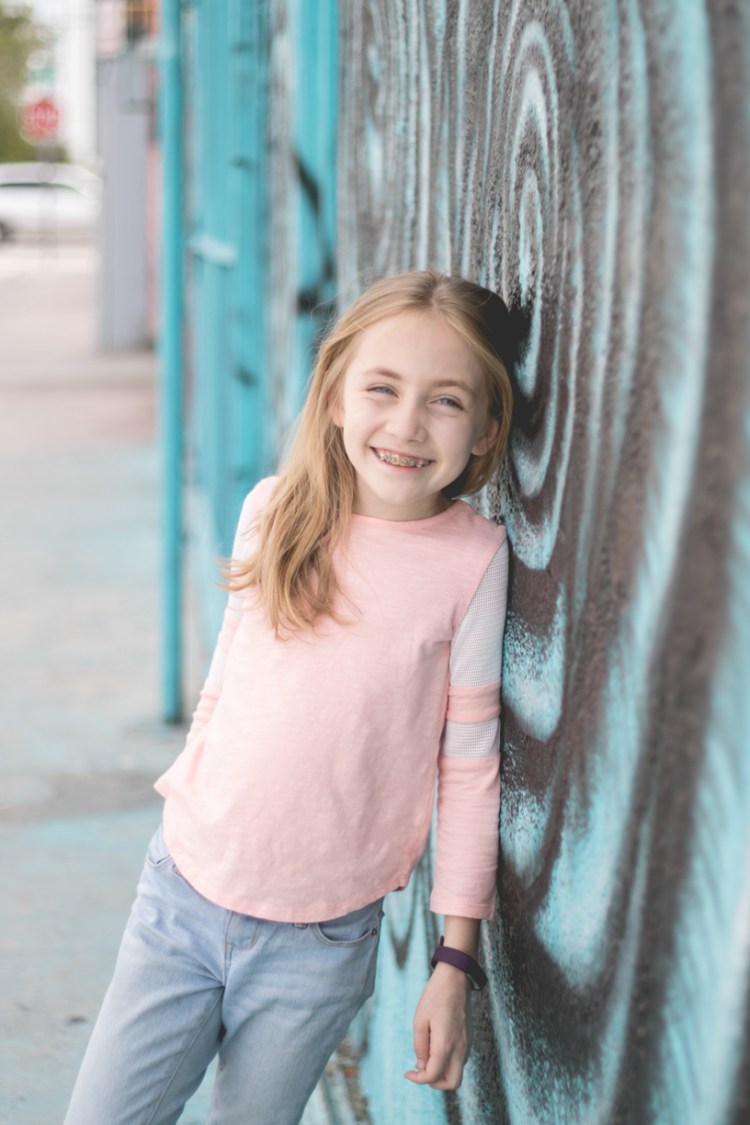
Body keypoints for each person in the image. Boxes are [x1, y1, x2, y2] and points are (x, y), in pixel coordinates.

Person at [64, 269, 514, 1124]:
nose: (408, 425)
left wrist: (454, 962)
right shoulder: (276, 511)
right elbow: (226, 685)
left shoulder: (473, 560)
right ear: (338, 395)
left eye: (446, 401)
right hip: (182, 898)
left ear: (488, 427)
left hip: (319, 944)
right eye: (382, 388)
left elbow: (468, 767)